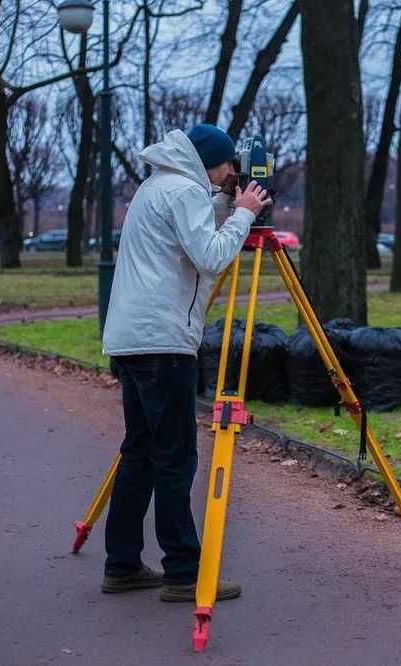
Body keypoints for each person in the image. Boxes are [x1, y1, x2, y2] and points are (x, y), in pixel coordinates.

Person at [100, 123, 271, 602]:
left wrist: (226, 205)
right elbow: (211, 256)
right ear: (209, 162)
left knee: (139, 451)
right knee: (175, 457)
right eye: (227, 166)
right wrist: (242, 215)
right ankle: (184, 572)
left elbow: (186, 235)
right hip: (163, 342)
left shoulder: (158, 186)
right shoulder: (185, 191)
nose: (231, 174)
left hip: (131, 340)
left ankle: (122, 562)